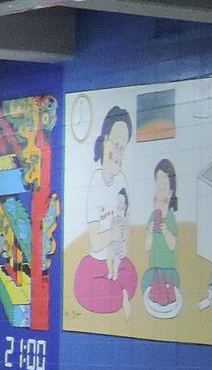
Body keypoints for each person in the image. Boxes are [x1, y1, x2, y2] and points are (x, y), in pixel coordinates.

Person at [75, 105, 138, 315]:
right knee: (84, 286)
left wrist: (122, 244)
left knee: (131, 274)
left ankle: (118, 292)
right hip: (97, 261)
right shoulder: (95, 182)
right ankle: (119, 294)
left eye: (123, 147)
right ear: (104, 141)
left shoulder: (122, 182)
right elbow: (95, 243)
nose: (118, 152)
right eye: (115, 144)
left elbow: (126, 230)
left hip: (117, 261)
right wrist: (113, 234)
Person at [143, 159, 181, 312]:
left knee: (170, 287)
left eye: (164, 188)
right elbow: (147, 247)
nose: (160, 192)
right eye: (158, 188)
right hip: (154, 267)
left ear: (170, 193)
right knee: (149, 284)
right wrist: (150, 233)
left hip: (168, 268)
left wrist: (166, 232)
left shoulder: (170, 218)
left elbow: (172, 245)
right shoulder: (153, 217)